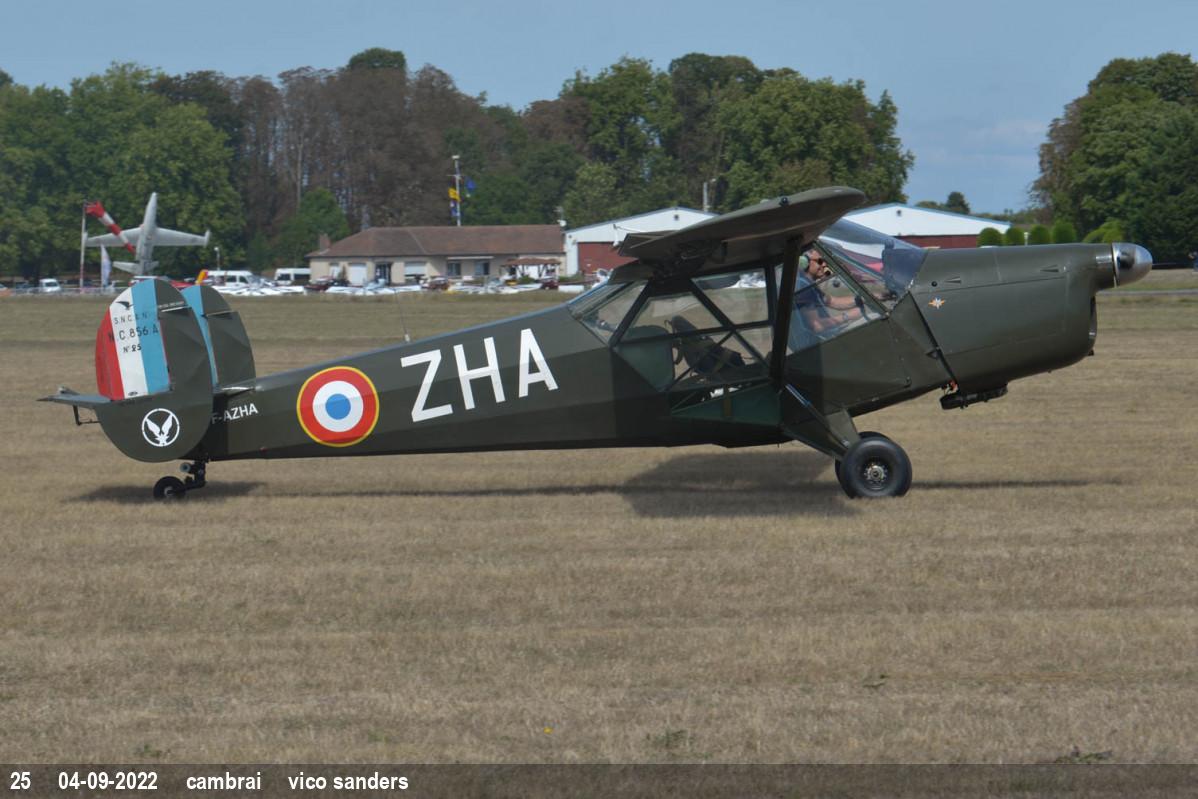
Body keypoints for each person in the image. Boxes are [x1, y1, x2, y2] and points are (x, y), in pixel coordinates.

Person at [793, 249, 866, 341]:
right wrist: (847, 316)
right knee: (873, 317)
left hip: (829, 336)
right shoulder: (804, 287)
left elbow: (833, 302)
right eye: (820, 261)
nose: (824, 265)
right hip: (824, 340)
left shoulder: (808, 284)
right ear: (804, 262)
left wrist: (864, 298)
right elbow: (817, 326)